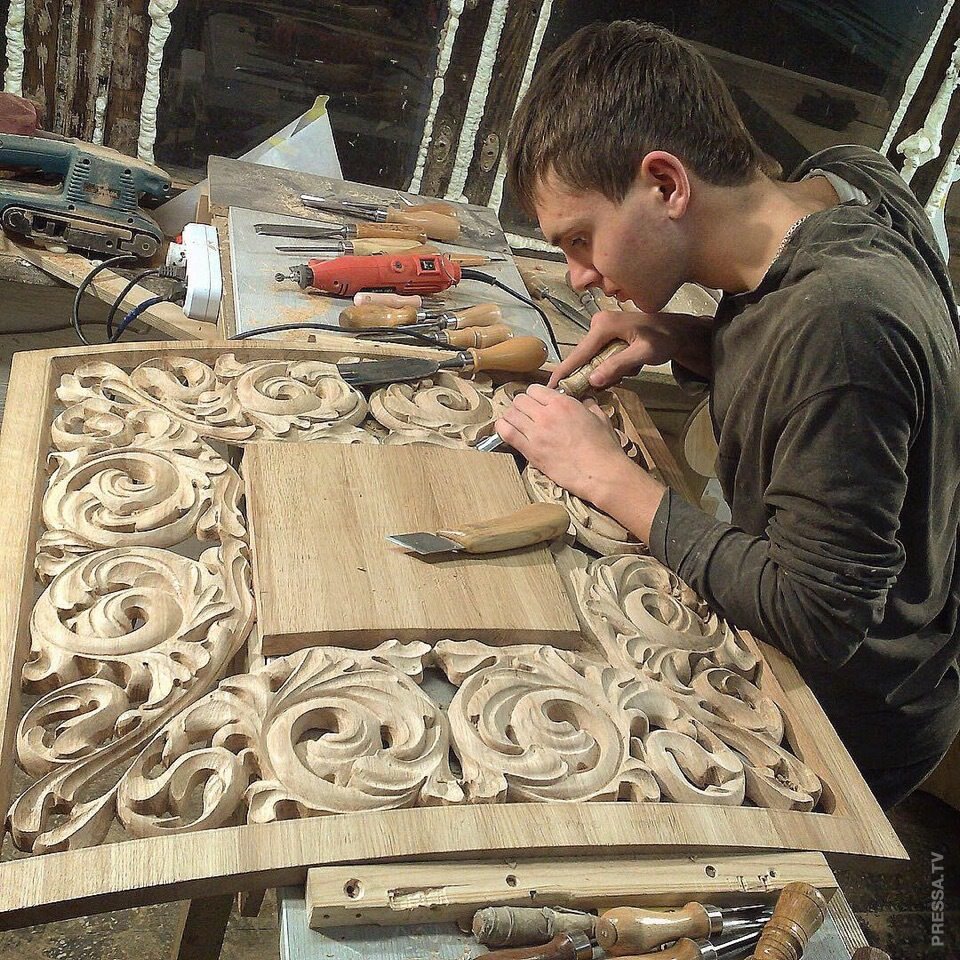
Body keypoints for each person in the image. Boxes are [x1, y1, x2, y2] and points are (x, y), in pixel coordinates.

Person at [495, 19, 960, 809]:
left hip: (842, 719)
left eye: (580, 239)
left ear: (667, 185)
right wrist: (689, 337)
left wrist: (606, 477)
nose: (578, 277)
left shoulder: (842, 321)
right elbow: (839, 394)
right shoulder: (848, 183)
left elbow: (817, 616)